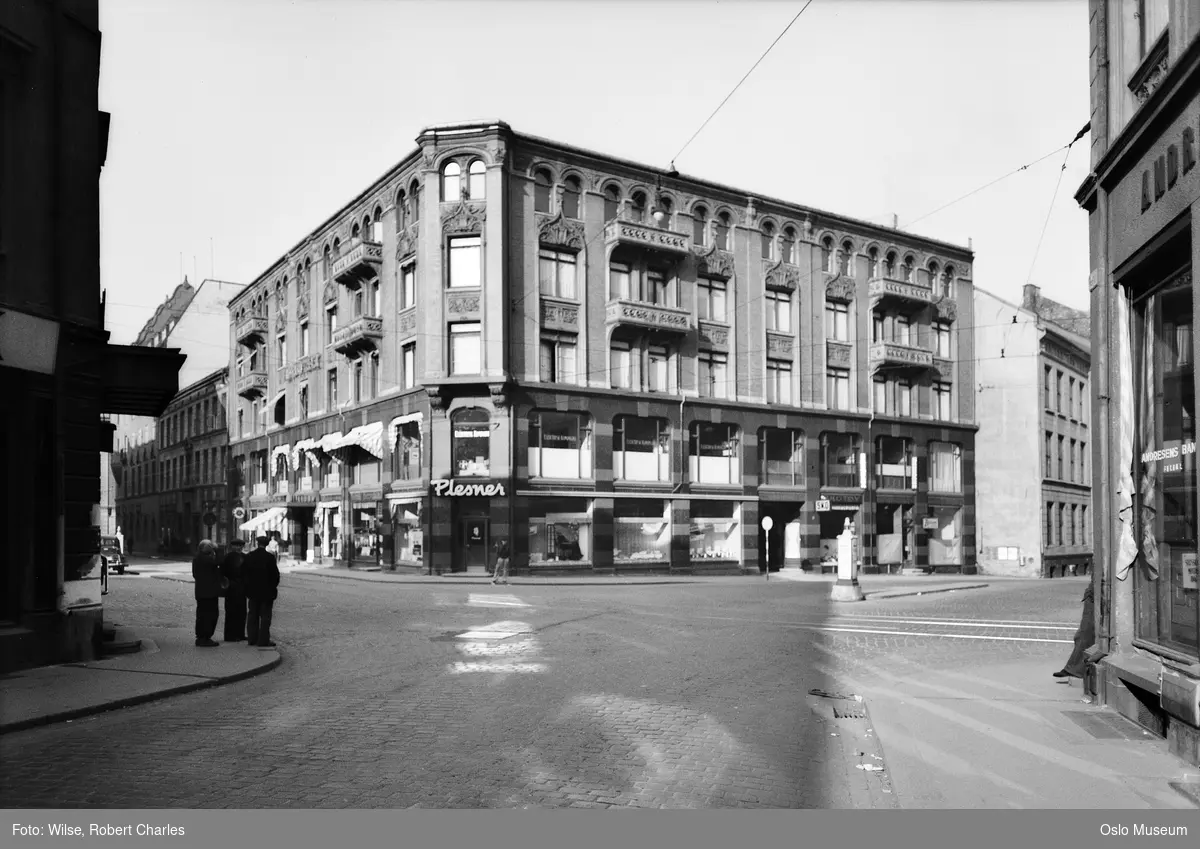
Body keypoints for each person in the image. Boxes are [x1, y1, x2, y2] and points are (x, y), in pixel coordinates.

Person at [242, 535, 280, 648]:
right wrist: (272, 587)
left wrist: (247, 587)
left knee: (252, 615)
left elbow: (244, 574)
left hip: (253, 592)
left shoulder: (249, 556)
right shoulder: (269, 557)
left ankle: (252, 639)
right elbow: (275, 576)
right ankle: (263, 640)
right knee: (265, 617)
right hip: (266, 592)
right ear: (267, 544)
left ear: (257, 543)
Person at [1054, 581, 1096, 680]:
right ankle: (1075, 668)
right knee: (1084, 634)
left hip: (1097, 592)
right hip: (1094, 592)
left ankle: (1075, 669)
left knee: (1085, 634)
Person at [191, 539, 223, 647]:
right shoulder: (207, 560)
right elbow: (220, 561)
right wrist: (217, 549)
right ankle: (206, 637)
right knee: (211, 615)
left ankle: (200, 637)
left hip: (200, 592)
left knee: (201, 615)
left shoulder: (196, 558)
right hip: (210, 593)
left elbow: (195, 575)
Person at [219, 538, 247, 642]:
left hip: (241, 588)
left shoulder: (244, 557)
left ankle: (240, 633)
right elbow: (222, 573)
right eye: (237, 546)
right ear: (232, 547)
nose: (239, 548)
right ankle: (230, 635)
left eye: (241, 546)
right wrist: (226, 585)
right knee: (231, 612)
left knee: (242, 612)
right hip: (231, 588)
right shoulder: (227, 558)